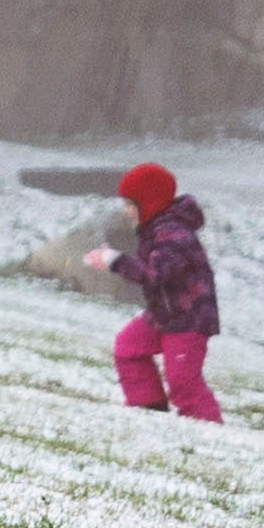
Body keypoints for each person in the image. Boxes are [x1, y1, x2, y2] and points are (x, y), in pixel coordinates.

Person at [86, 163, 226, 423]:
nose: (127, 211)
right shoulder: (156, 230)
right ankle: (148, 409)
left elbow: (155, 274)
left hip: (189, 319)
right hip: (165, 314)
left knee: (183, 381)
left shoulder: (173, 233)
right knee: (128, 347)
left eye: (131, 204)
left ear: (149, 203)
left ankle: (209, 427)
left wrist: (115, 261)